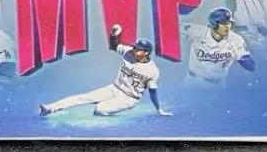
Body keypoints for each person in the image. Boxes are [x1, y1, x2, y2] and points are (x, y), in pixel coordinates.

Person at [39, 27, 170, 118]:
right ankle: (50, 108)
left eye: (138, 49)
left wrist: (159, 109)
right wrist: (113, 35)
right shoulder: (128, 51)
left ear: (146, 52)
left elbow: (153, 92)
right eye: (135, 47)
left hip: (129, 98)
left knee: (100, 109)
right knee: (82, 97)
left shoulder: (152, 70)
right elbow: (114, 45)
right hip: (114, 88)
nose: (134, 50)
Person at [182, 8, 254, 85]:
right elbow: (176, 26)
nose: (227, 26)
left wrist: (244, 60)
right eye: (224, 23)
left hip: (218, 85)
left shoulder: (235, 40)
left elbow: (249, 63)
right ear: (214, 24)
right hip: (193, 81)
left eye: (229, 23)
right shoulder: (198, 31)